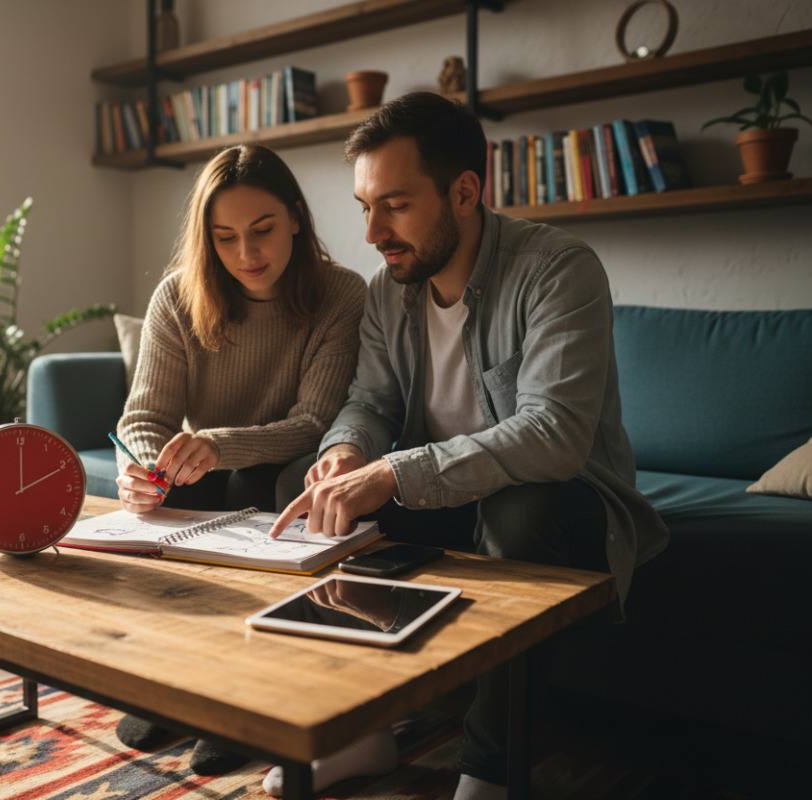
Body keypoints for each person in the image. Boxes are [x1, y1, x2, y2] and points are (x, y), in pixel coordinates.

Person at [266, 93, 669, 799]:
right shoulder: (389, 290)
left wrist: (393, 472)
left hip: (563, 503)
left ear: (464, 191)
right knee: (306, 489)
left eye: (394, 204)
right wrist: (346, 453)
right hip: (445, 496)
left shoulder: (558, 270)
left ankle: (488, 770)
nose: (372, 232)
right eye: (364, 206)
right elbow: (369, 402)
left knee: (522, 515)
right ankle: (359, 734)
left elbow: (554, 437)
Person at [112, 143, 367, 775]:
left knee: (250, 479)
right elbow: (145, 418)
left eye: (263, 231)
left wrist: (218, 445)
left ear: (297, 218)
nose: (247, 255)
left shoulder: (341, 292)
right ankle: (178, 679)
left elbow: (315, 420)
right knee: (182, 484)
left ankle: (246, 696)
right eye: (225, 238)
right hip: (212, 465)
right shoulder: (177, 297)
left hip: (286, 462)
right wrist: (146, 471)